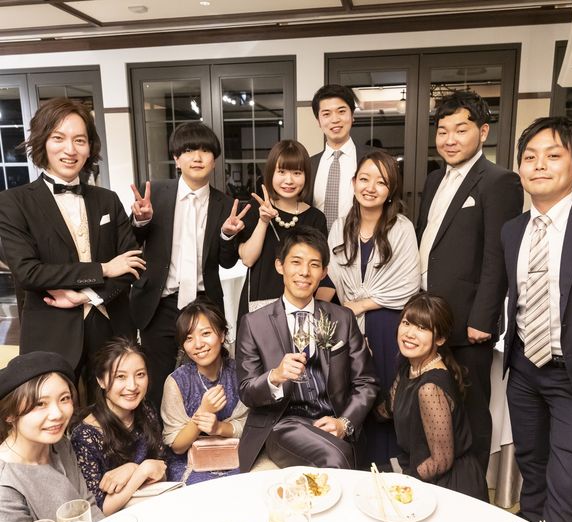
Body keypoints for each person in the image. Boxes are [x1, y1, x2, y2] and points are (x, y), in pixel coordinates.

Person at [0, 98, 143, 400]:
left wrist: (87, 295)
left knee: (116, 410)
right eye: (58, 138)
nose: (70, 149)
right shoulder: (13, 202)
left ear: (90, 147)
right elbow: (29, 272)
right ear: (42, 142)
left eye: (79, 140)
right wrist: (102, 269)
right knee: (54, 414)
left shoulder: (107, 199)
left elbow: (131, 264)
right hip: (51, 332)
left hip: (112, 328)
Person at [416, 90, 523, 473]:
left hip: (468, 322)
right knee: (435, 407)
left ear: (483, 131)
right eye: (443, 131)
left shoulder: (499, 181)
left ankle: (472, 487)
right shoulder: (433, 180)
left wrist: (484, 318)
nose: (450, 139)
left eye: (460, 130)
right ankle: (441, 480)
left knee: (471, 410)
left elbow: (498, 257)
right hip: (430, 318)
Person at [236, 226, 380, 472]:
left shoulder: (342, 318)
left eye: (314, 265)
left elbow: (367, 382)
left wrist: (344, 423)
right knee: (337, 456)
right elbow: (246, 391)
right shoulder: (253, 323)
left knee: (339, 450)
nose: (304, 272)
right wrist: (275, 376)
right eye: (296, 262)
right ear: (280, 266)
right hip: (282, 424)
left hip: (332, 421)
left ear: (324, 272)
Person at [130, 122, 249, 410]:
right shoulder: (155, 194)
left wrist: (227, 236)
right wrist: (141, 220)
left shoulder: (225, 203)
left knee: (207, 378)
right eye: (189, 150)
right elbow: (131, 241)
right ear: (176, 158)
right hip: (160, 303)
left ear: (214, 160)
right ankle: (159, 434)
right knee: (156, 381)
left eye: (205, 151)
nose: (197, 157)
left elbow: (227, 261)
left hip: (203, 303)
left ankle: (203, 431)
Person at [502, 116, 572, 522]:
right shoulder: (513, 230)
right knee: (530, 466)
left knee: (568, 479)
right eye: (530, 157)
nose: (540, 165)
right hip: (524, 369)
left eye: (553, 155)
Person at [318, 150, 420, 465]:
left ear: (391, 190)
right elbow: (332, 277)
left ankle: (392, 467)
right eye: (364, 179)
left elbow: (409, 284)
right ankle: (359, 464)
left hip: (387, 324)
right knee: (353, 393)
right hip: (349, 326)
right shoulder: (340, 227)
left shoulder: (402, 228)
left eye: (381, 182)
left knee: (387, 395)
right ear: (353, 183)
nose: (370, 187)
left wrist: (357, 305)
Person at [0, 352, 103, 522]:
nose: (57, 414)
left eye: (64, 399)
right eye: (40, 404)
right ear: (9, 413)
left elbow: (87, 508)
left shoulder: (61, 445)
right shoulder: (5, 482)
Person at [388, 293, 487, 501]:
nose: (410, 333)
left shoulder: (430, 388)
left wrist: (403, 483)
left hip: (451, 486)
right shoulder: (409, 369)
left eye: (422, 328)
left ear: (440, 339)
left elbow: (441, 462)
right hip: (425, 476)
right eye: (406, 323)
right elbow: (388, 408)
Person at [70, 338, 166, 516]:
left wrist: (137, 470)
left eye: (140, 374)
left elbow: (161, 468)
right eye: (120, 377)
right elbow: (99, 510)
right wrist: (140, 470)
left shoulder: (146, 410)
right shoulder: (85, 436)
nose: (132, 386)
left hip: (154, 505)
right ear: (101, 380)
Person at [237, 139, 327, 323]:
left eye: (297, 173)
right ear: (271, 173)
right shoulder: (255, 209)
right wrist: (263, 221)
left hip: (301, 306)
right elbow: (248, 259)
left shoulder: (316, 218)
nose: (289, 180)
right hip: (259, 304)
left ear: (306, 176)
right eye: (282, 172)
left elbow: (319, 268)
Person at [161, 297, 247, 484]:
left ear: (222, 335)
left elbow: (250, 426)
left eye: (206, 333)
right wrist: (203, 412)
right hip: (190, 461)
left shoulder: (240, 373)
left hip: (235, 454)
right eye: (189, 338)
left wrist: (218, 428)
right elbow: (176, 446)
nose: (198, 344)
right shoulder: (176, 382)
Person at [306, 84, 374, 231]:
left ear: (352, 115)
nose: (335, 119)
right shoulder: (308, 165)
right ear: (318, 121)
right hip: (317, 242)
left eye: (341, 111)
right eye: (326, 114)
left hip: (360, 240)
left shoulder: (373, 160)